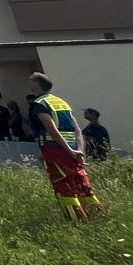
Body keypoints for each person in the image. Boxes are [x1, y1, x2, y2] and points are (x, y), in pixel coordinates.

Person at [26, 72, 104, 220]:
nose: (28, 85)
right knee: (82, 183)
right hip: (73, 150)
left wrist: (68, 150)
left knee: (63, 185)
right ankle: (97, 216)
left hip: (54, 148)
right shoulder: (61, 102)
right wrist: (79, 151)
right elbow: (77, 129)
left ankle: (76, 221)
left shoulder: (38, 104)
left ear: (37, 85)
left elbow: (51, 129)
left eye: (30, 82)